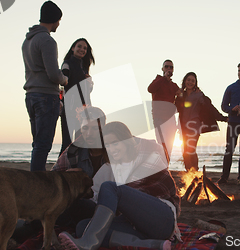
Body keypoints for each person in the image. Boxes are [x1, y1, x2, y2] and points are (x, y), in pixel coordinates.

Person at [0, 106, 108, 241]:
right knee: (9, 204)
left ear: (103, 129)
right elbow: (52, 178)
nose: (89, 133)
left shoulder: (113, 150)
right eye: (85, 128)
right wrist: (67, 175)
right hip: (63, 205)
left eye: (95, 128)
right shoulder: (74, 150)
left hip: (92, 206)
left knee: (30, 226)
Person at [59, 121, 180, 250]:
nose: (112, 149)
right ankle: (153, 245)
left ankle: (88, 243)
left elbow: (164, 187)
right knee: (83, 227)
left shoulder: (147, 157)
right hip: (132, 224)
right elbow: (93, 197)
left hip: (161, 220)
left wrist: (120, 199)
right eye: (108, 145)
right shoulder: (108, 169)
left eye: (115, 143)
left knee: (111, 188)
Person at [22, 0, 67, 171]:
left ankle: (36, 180)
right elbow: (53, 74)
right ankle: (38, 183)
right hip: (46, 97)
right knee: (44, 144)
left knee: (38, 143)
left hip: (31, 95)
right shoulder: (47, 41)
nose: (58, 24)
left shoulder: (27, 41)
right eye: (59, 20)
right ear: (54, 19)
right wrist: (64, 80)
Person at [175, 72, 228, 172]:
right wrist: (179, 96)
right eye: (188, 80)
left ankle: (194, 172)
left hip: (194, 126)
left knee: (190, 150)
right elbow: (176, 108)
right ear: (185, 81)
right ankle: (189, 172)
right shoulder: (182, 94)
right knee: (185, 151)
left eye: (193, 81)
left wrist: (222, 118)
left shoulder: (199, 95)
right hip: (183, 127)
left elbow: (209, 108)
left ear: (195, 83)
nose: (190, 82)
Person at [59, 38, 96, 156]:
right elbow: (62, 83)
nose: (82, 50)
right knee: (67, 141)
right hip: (70, 109)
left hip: (84, 109)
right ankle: (61, 168)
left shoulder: (84, 68)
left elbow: (87, 91)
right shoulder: (67, 64)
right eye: (79, 46)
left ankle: (78, 166)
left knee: (81, 140)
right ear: (73, 48)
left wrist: (89, 83)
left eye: (85, 48)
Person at [148, 60, 181, 161]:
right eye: (166, 67)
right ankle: (160, 169)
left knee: (169, 147)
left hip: (171, 120)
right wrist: (164, 78)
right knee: (162, 146)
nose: (169, 69)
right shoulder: (158, 80)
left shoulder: (173, 85)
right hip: (159, 119)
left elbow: (182, 97)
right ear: (162, 69)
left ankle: (165, 170)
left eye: (171, 67)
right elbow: (150, 89)